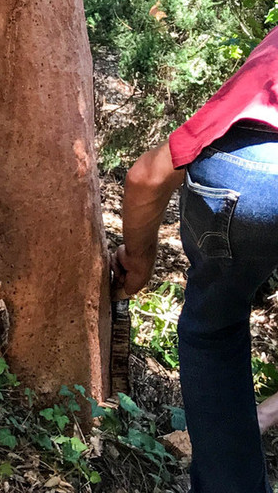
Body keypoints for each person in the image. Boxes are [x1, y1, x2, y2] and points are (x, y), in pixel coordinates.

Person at [116, 26, 278, 493]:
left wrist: (139, 263)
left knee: (214, 331)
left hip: (244, 175)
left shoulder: (266, 69)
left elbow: (146, 178)